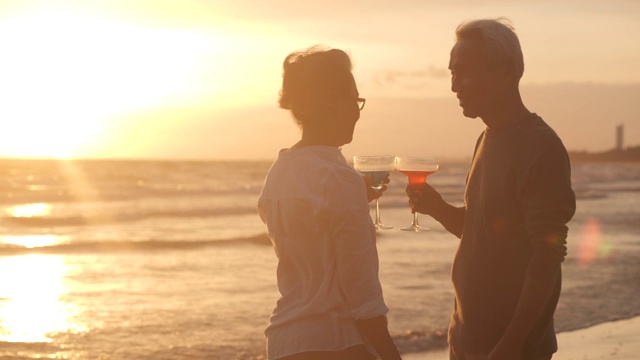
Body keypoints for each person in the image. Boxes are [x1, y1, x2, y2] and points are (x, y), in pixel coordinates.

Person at [406, 19, 576, 360]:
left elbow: (547, 256)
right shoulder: (486, 138)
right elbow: (482, 231)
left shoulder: (539, 146)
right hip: (467, 338)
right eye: (451, 73)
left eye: (464, 72)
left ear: (506, 72)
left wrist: (511, 345)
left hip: (510, 348)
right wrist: (438, 208)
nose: (455, 86)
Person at [258, 46, 402, 360]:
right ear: (326, 105)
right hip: (336, 343)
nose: (357, 111)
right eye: (353, 100)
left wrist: (354, 200)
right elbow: (362, 295)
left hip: (284, 344)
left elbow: (308, 241)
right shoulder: (338, 179)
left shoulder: (279, 172)